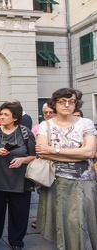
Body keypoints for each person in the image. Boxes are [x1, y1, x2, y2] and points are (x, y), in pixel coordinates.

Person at [35, 88, 97, 250]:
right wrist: (78, 154)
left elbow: (90, 152)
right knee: (61, 225)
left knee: (83, 224)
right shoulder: (45, 125)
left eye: (72, 101)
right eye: (62, 101)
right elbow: (42, 153)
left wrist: (53, 151)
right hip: (55, 182)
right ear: (54, 104)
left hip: (83, 182)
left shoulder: (86, 123)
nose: (67, 105)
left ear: (76, 104)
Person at [0, 101, 36, 250]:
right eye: (1, 114)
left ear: (15, 117)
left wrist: (23, 160)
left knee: (19, 214)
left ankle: (16, 241)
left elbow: (35, 156)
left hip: (20, 181)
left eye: (5, 114)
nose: (1, 117)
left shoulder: (25, 133)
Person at [29, 102, 55, 229]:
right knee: (44, 196)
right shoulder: (38, 127)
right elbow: (39, 149)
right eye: (46, 112)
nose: (48, 114)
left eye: (51, 112)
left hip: (59, 169)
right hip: (44, 167)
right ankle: (43, 220)